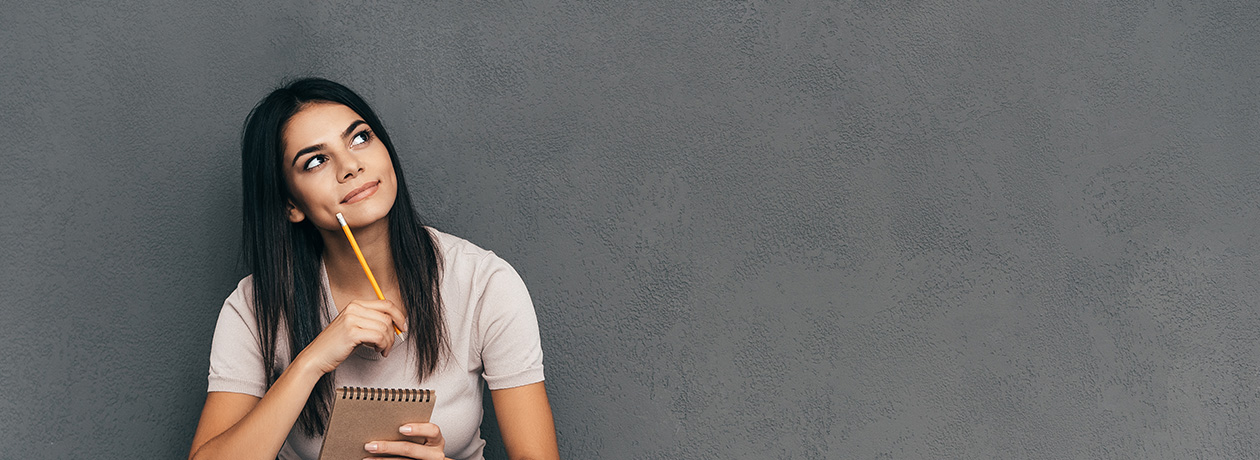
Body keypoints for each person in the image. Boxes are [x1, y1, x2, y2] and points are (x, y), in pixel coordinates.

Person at [188, 78, 559, 460]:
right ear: (290, 205)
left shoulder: (485, 285)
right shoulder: (255, 307)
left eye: (360, 138)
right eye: (315, 161)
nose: (350, 166)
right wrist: (311, 361)